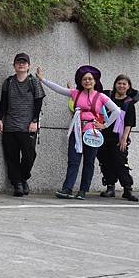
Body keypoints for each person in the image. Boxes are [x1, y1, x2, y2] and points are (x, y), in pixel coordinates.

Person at [36, 65, 120, 200]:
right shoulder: (75, 93)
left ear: (95, 81)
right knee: (73, 161)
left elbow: (117, 111)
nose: (87, 81)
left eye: (90, 79)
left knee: (89, 162)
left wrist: (104, 125)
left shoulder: (101, 96)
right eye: (84, 79)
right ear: (80, 81)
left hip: (92, 133)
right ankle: (67, 189)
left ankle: (83, 190)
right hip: (77, 131)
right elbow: (59, 89)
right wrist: (42, 80)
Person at [0, 53, 45, 196]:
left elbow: (38, 102)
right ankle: (17, 184)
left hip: (28, 126)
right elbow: (3, 102)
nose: (21, 64)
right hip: (10, 125)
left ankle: (23, 178)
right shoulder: (9, 81)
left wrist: (34, 121)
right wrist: (0, 119)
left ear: (28, 66)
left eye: (24, 63)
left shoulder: (33, 82)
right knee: (11, 156)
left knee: (30, 155)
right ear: (14, 65)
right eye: (18, 62)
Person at [97, 75, 138, 201]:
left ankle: (127, 189)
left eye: (124, 84)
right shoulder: (108, 99)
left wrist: (124, 139)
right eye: (119, 83)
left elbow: (129, 124)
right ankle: (110, 188)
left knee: (121, 163)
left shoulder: (129, 103)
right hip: (104, 136)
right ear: (115, 84)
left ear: (129, 87)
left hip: (118, 139)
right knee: (106, 162)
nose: (121, 86)